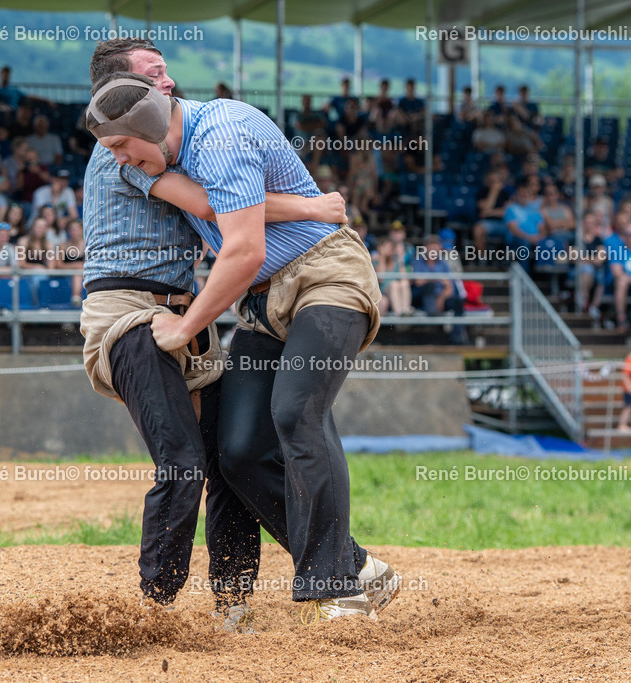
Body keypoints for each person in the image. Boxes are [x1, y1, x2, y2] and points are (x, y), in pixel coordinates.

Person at [87, 68, 402, 621]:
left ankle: (338, 586)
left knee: (296, 413)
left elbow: (244, 249)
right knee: (236, 454)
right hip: (260, 303)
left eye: (122, 148)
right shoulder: (167, 153)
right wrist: (309, 203)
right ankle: (359, 568)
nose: (118, 161)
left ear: (151, 125)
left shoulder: (222, 136)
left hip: (326, 278)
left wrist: (185, 329)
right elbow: (224, 208)